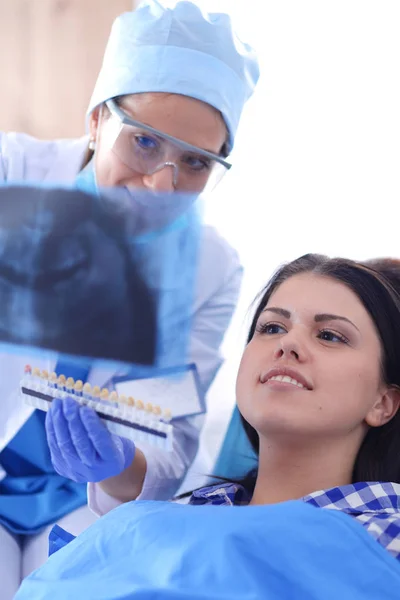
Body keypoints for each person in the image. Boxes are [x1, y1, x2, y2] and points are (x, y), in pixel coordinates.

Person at [0, 1, 259, 596]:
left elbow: (166, 434)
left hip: (74, 503)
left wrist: (119, 465)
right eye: (143, 143)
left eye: (195, 163)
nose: (162, 186)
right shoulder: (13, 170)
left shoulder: (210, 267)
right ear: (96, 121)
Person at [14, 253, 400, 599]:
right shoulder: (163, 518)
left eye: (330, 335)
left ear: (384, 403)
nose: (289, 344)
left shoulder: (387, 537)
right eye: (271, 328)